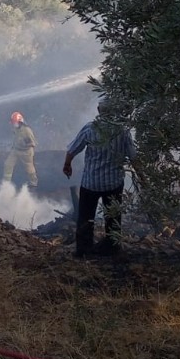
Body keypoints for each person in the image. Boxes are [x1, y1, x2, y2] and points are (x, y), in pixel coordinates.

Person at [63, 110, 138, 257]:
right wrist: (142, 178)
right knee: (113, 217)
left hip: (91, 183)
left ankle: (84, 251)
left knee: (86, 217)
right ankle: (112, 247)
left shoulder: (90, 128)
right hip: (113, 184)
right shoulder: (122, 131)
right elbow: (134, 157)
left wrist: (67, 165)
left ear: (99, 111)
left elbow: (72, 149)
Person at [2, 111, 40, 189]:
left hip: (26, 152)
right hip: (16, 150)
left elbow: (33, 143)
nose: (13, 124)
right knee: (8, 164)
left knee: (29, 168)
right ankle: (6, 183)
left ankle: (33, 183)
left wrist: (24, 144)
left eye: (14, 122)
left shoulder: (27, 131)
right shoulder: (15, 129)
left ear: (20, 122)